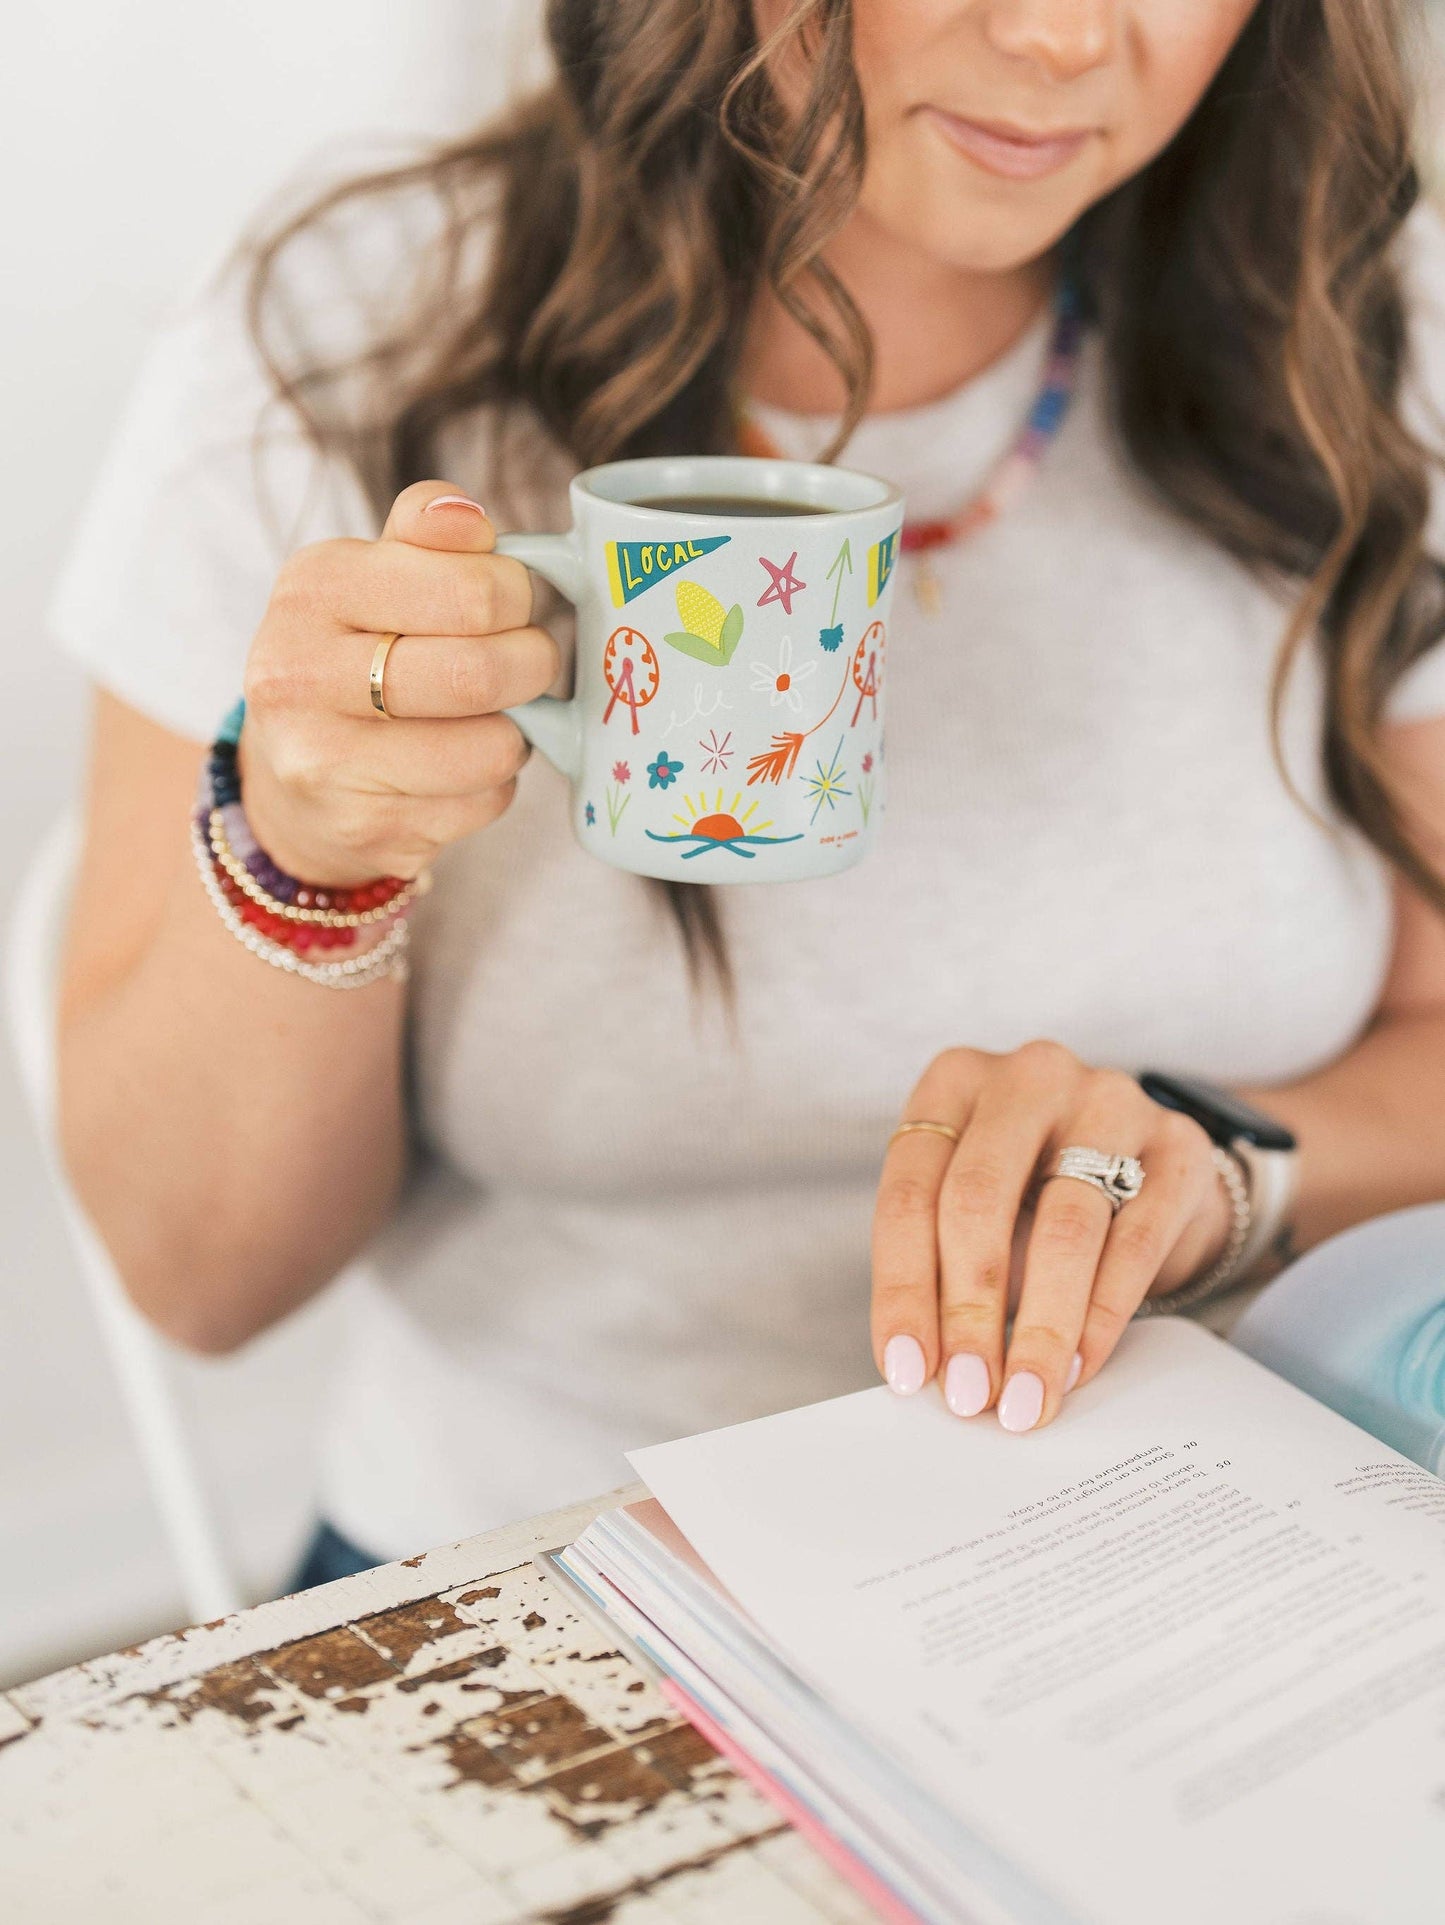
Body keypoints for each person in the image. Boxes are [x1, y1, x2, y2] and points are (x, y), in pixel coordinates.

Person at [51, 0, 1445, 1587]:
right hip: (532, 1585)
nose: (1063, 36)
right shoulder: (352, 335)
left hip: (1177, 1561)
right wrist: (303, 856)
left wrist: (1229, 1163)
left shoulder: (1367, 342)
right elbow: (199, 1275)